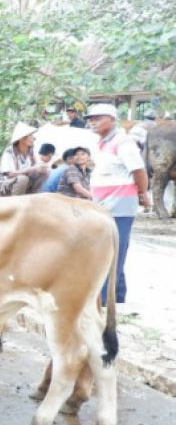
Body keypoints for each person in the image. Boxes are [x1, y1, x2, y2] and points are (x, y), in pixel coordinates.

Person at [87, 103, 151, 304]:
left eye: (98, 118)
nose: (93, 121)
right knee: (111, 250)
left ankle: (107, 299)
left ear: (112, 120)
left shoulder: (122, 142)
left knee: (114, 252)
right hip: (104, 206)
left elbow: (139, 171)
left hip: (119, 207)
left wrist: (143, 193)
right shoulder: (103, 143)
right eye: (91, 118)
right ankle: (119, 296)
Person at [0, 122, 49, 196]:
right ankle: (15, 204)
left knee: (44, 174)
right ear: (22, 138)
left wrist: (41, 168)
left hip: (23, 183)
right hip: (5, 185)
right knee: (22, 179)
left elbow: (36, 168)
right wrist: (31, 169)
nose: (34, 138)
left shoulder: (31, 152)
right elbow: (9, 174)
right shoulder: (9, 152)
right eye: (31, 136)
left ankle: (33, 200)